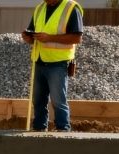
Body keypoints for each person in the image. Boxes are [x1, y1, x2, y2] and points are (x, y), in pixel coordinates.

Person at [21, 0, 83, 132]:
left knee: (58, 101)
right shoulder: (40, 8)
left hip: (58, 63)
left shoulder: (70, 8)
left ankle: (63, 130)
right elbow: (34, 34)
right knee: (38, 100)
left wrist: (50, 38)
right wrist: (29, 38)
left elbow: (77, 38)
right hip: (39, 60)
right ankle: (39, 129)